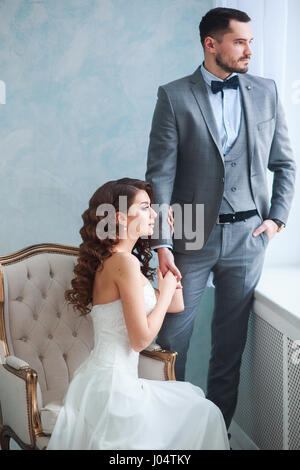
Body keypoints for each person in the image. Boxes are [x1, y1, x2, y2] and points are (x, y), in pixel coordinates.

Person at [145, 6, 296, 435]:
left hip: (250, 232)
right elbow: (160, 175)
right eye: (240, 42)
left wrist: (277, 220)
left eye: (251, 40)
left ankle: (214, 437)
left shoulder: (265, 90)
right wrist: (162, 244)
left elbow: (285, 163)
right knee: (172, 340)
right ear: (211, 44)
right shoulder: (174, 95)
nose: (250, 49)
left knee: (228, 349)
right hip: (190, 226)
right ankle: (166, 438)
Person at [47, 177, 230, 450]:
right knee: (205, 413)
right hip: (113, 387)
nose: (153, 214)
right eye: (145, 207)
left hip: (114, 381)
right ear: (120, 217)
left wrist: (165, 255)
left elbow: (176, 304)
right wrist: (165, 291)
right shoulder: (123, 263)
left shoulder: (120, 260)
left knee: (202, 411)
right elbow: (140, 340)